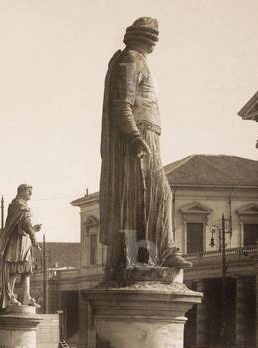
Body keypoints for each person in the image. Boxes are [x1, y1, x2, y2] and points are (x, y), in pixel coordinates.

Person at [99, 17, 190, 280]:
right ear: (148, 39)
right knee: (157, 194)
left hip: (146, 135)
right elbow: (122, 105)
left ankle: (149, 253)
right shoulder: (131, 60)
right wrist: (136, 137)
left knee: (146, 198)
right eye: (154, 36)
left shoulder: (134, 60)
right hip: (140, 136)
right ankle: (157, 252)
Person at [0, 184, 41, 310]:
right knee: (14, 270)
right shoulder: (19, 205)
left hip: (24, 242)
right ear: (21, 191)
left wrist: (33, 231)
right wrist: (33, 236)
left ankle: (27, 297)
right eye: (29, 191)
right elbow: (25, 223)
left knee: (26, 271)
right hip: (16, 243)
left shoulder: (22, 205)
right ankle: (9, 296)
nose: (31, 193)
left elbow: (24, 225)